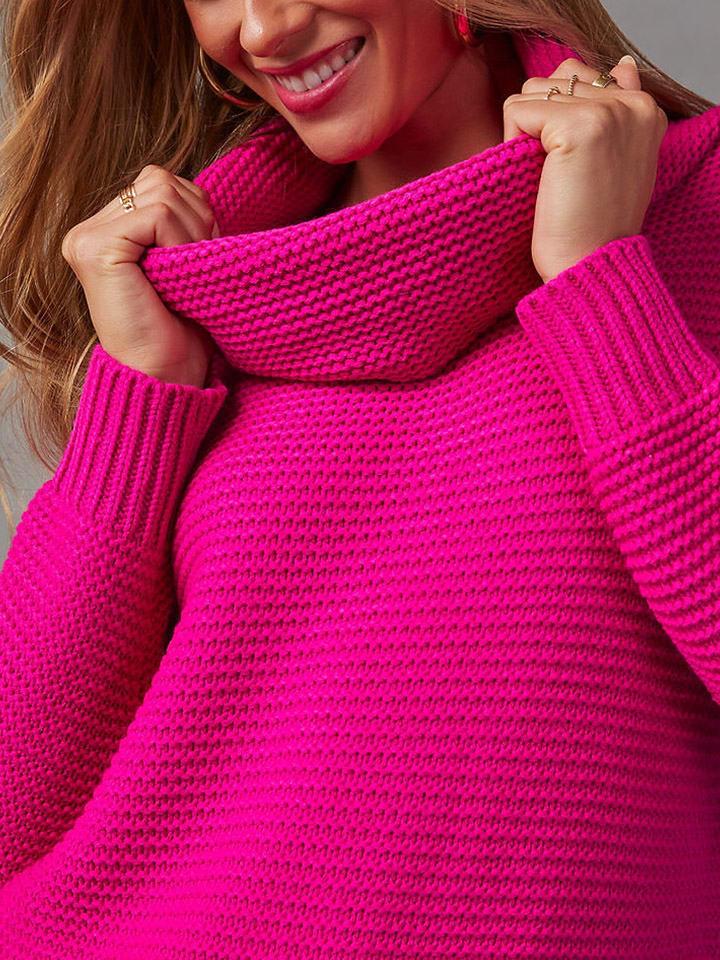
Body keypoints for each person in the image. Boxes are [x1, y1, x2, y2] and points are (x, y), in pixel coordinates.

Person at [0, 0, 719, 955]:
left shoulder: (696, 214)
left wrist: (599, 278)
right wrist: (139, 396)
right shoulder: (201, 288)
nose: (263, 29)